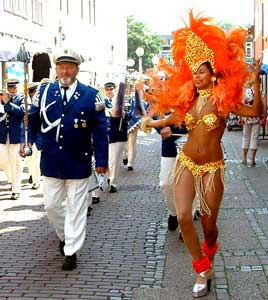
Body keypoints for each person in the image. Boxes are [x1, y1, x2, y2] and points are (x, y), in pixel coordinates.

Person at [141, 11, 262, 298]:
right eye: (193, 71)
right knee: (184, 217)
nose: (196, 76)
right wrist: (152, 122)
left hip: (212, 168)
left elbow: (255, 112)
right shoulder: (189, 99)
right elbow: (172, 119)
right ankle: (201, 269)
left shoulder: (223, 102)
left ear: (212, 73)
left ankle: (209, 250)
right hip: (187, 162)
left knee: (209, 225)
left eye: (202, 71)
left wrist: (255, 82)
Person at [20, 48, 109, 271]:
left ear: (77, 69)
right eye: (61, 67)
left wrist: (102, 160)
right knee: (51, 206)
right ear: (56, 69)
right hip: (51, 159)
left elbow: (100, 130)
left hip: (78, 160)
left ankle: (71, 251)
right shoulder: (45, 91)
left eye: (69, 67)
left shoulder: (91, 95)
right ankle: (64, 235)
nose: (65, 71)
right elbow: (31, 119)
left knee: (76, 208)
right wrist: (26, 140)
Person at [0, 79, 24, 200]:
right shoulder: (2, 98)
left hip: (15, 136)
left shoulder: (21, 98)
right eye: (9, 88)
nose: (11, 90)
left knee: (16, 164)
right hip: (3, 136)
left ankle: (16, 189)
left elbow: (22, 112)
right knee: (3, 161)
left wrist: (8, 103)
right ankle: (11, 179)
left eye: (13, 88)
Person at [105, 81, 129, 193]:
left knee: (114, 160)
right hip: (105, 135)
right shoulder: (102, 102)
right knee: (107, 160)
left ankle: (113, 182)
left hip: (117, 135)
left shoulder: (122, 102)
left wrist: (124, 114)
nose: (109, 92)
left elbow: (130, 115)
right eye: (107, 90)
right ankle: (109, 177)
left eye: (111, 89)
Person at [241, 85, 267, 166]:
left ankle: (244, 158)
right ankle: (252, 159)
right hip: (257, 117)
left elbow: (241, 104)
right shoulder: (260, 91)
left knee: (246, 137)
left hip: (246, 116)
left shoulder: (244, 91)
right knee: (254, 138)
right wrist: (264, 116)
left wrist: (241, 117)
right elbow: (264, 105)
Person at [24, 82, 42, 189]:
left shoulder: (42, 103)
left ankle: (36, 180)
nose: (32, 94)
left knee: (35, 159)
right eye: (30, 92)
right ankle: (33, 175)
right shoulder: (29, 104)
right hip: (30, 136)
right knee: (28, 160)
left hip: (41, 136)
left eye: (33, 91)